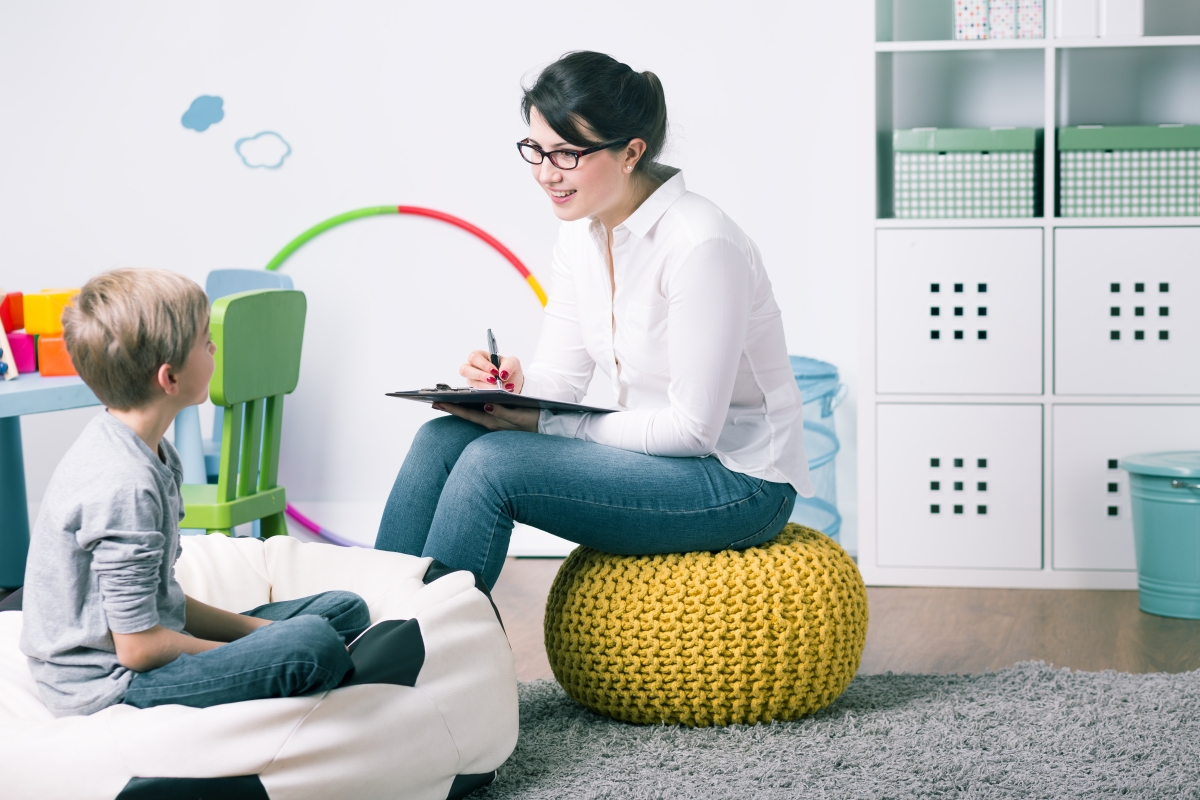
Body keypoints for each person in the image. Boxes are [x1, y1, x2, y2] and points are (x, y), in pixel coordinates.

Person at [375, 51, 812, 590]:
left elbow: (694, 431)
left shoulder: (701, 244)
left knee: (493, 464)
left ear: (631, 152)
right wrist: (513, 390)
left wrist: (540, 422)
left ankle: (429, 649)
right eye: (535, 149)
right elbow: (560, 381)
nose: (544, 173)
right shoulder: (581, 233)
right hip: (651, 456)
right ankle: (367, 623)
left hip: (737, 482)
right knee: (441, 438)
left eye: (566, 155)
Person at [19, 268, 369, 717]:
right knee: (313, 644)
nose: (215, 348)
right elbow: (139, 649)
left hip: (147, 641)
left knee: (345, 609)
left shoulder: (153, 449)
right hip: (110, 683)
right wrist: (268, 641)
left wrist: (259, 633)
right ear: (169, 378)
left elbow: (166, 599)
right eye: (205, 341)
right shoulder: (123, 483)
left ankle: (309, 648)